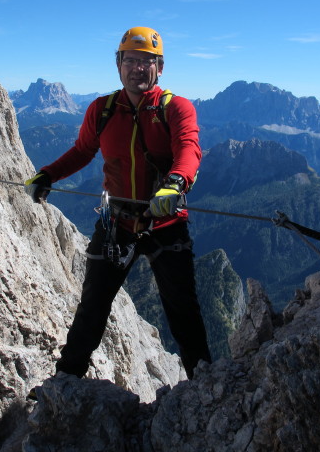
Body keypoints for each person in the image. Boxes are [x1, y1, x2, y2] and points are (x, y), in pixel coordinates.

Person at [25, 26, 211, 380]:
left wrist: (175, 183)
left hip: (165, 224)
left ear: (160, 67)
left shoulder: (176, 108)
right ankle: (65, 380)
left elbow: (189, 148)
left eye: (146, 61)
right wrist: (48, 174)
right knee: (92, 308)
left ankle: (206, 385)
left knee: (184, 314)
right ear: (118, 64)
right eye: (131, 60)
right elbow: (82, 151)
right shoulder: (103, 109)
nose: (137, 68)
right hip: (116, 223)